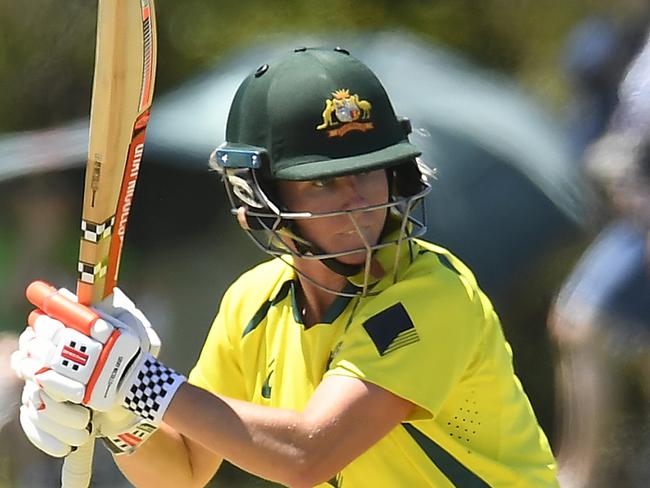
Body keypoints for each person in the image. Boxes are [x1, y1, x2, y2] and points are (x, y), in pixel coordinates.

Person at [12, 47, 558, 487]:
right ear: (259, 195)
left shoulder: (435, 297)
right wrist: (119, 420)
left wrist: (136, 382)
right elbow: (180, 474)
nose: (358, 202)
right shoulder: (253, 303)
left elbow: (306, 454)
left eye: (369, 172)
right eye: (323, 182)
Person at [549, 57, 650, 487]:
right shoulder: (627, 40)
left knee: (579, 323)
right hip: (634, 214)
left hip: (642, 219)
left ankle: (581, 474)